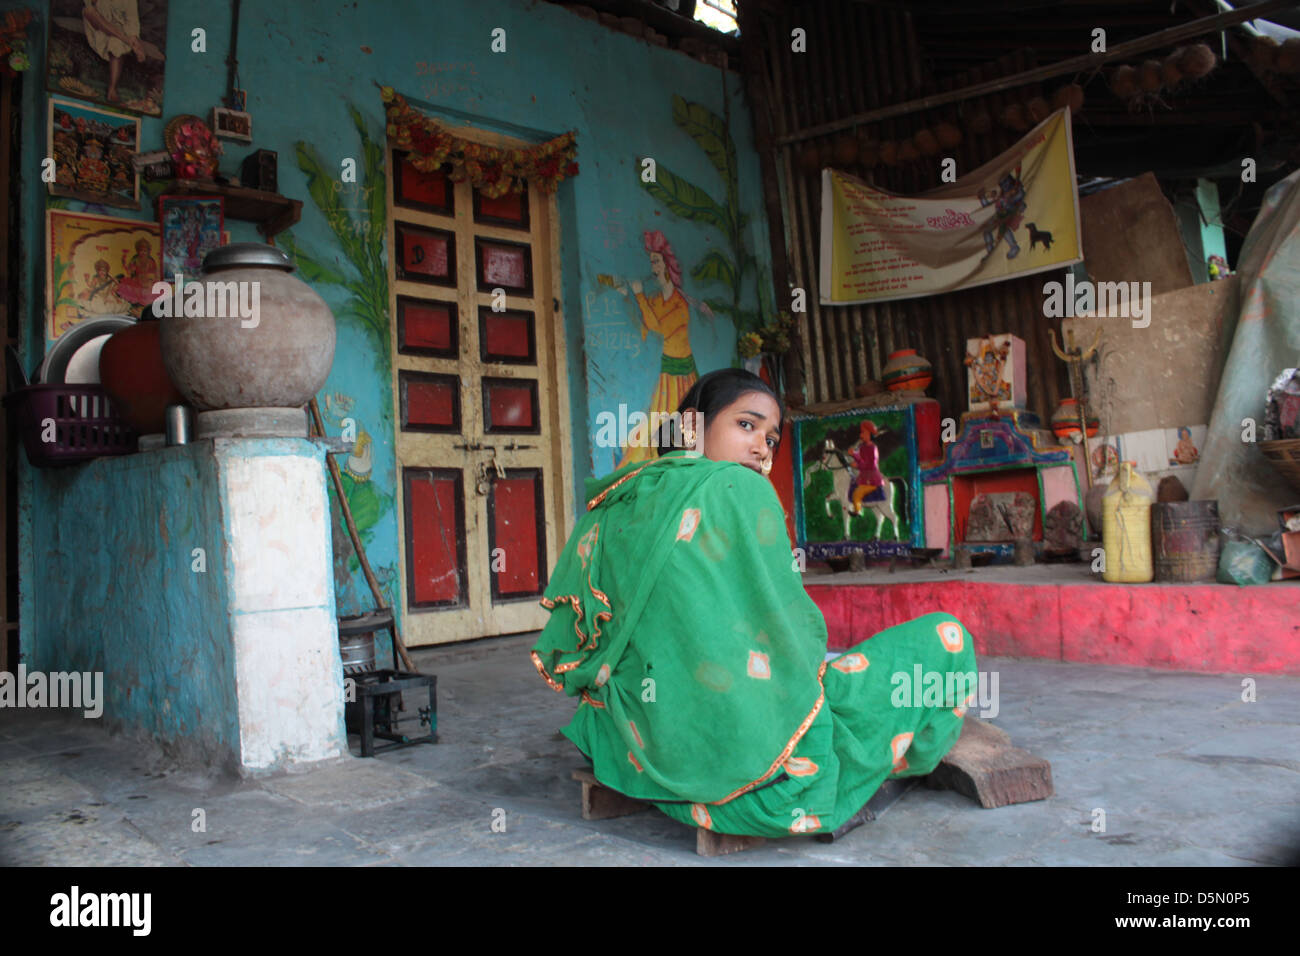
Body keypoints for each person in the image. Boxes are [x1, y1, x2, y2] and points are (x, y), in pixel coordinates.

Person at [531, 368, 979, 838]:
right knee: (945, 641)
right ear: (691, 426)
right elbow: (793, 635)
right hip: (751, 765)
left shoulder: (621, 495)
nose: (762, 446)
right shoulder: (740, 489)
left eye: (771, 437)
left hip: (628, 745)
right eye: (746, 425)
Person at [613, 230, 704, 468]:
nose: (652, 266)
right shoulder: (655, 300)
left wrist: (639, 295)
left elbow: (659, 329)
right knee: (659, 426)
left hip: (683, 374)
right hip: (666, 371)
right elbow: (645, 328)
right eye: (651, 261)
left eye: (656, 261)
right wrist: (627, 298)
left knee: (682, 430)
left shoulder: (679, 303)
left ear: (666, 265)